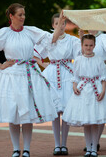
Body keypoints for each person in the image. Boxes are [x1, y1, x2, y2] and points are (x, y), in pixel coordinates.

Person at [0, 3, 63, 157]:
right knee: (13, 114)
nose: (23, 17)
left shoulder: (30, 31)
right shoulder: (4, 33)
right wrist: (1, 65)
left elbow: (52, 38)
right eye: (20, 15)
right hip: (11, 76)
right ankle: (15, 149)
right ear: (11, 16)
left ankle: (26, 149)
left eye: (24, 14)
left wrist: (62, 20)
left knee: (27, 115)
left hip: (29, 75)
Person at [34, 13, 81, 155]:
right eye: (56, 24)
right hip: (52, 73)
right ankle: (56, 144)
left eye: (62, 24)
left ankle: (64, 144)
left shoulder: (72, 40)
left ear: (65, 25)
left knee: (65, 110)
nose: (60, 26)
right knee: (55, 111)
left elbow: (79, 56)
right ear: (53, 25)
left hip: (67, 72)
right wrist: (43, 63)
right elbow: (35, 54)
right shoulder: (49, 39)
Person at [62, 34, 106, 157]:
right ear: (82, 46)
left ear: (94, 46)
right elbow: (75, 76)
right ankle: (88, 147)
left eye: (91, 45)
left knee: (94, 120)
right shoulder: (78, 59)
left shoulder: (99, 59)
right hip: (83, 91)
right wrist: (75, 86)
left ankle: (94, 148)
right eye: (86, 45)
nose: (88, 47)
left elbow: (103, 76)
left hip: (95, 90)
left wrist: (103, 90)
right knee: (86, 121)